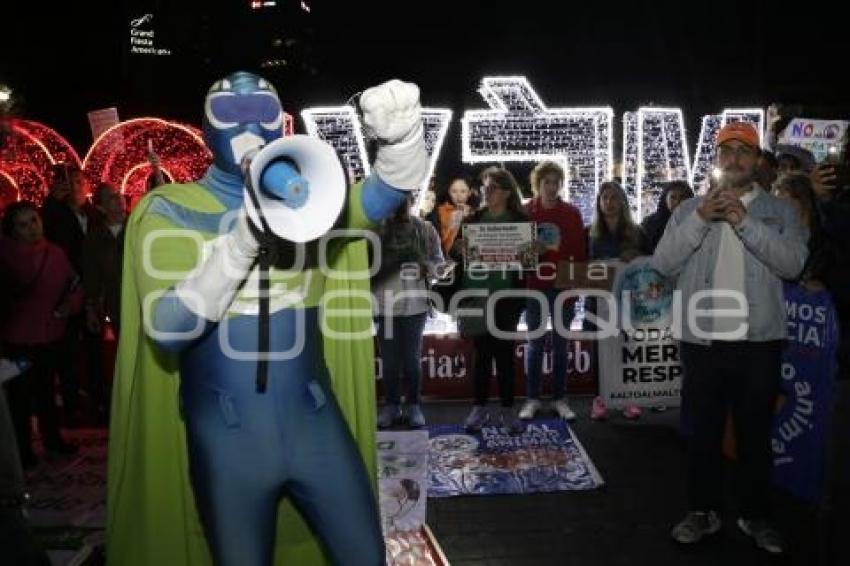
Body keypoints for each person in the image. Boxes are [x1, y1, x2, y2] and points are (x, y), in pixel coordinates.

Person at [106, 73, 430, 566]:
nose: (249, 124)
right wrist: (240, 241)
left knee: (366, 554)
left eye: (262, 109)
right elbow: (169, 329)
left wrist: (404, 138)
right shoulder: (169, 209)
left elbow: (384, 192)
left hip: (314, 420)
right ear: (206, 126)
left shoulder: (313, 201)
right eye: (232, 113)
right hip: (227, 432)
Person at [653, 122, 807, 555]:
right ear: (717, 159)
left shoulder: (780, 212)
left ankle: (756, 515)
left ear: (758, 161)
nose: (735, 158)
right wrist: (701, 218)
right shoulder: (687, 211)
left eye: (745, 151)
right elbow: (663, 263)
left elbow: (793, 264)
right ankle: (702, 511)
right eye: (727, 150)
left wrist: (746, 222)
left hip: (759, 341)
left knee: (755, 433)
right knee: (703, 432)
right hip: (702, 341)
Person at [0, 201, 81, 466]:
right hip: (17, 339)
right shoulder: (5, 256)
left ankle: (52, 440)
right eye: (23, 225)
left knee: (47, 391)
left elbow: (75, 283)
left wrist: (70, 304)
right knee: (19, 398)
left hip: (49, 335)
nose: (32, 228)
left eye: (33, 220)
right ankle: (22, 450)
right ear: (12, 230)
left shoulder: (55, 253)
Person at [452, 167, 528, 435]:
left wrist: (534, 251)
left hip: (506, 298)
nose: (487, 191)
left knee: (505, 356)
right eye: (485, 186)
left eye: (493, 187)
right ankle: (479, 407)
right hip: (476, 296)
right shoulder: (472, 220)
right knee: (481, 356)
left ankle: (508, 410)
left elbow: (528, 265)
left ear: (507, 192)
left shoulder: (521, 221)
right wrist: (458, 249)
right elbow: (454, 252)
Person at [517, 161, 585, 422]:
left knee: (560, 344)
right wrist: (530, 253)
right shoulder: (525, 212)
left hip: (563, 288)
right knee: (534, 344)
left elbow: (579, 253)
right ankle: (532, 398)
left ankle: (560, 398)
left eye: (556, 182)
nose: (552, 187)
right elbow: (516, 255)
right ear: (538, 184)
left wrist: (574, 287)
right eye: (547, 182)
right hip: (534, 287)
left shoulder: (572, 213)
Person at [372, 195, 444, 429]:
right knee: (390, 361)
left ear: (411, 201)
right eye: (394, 199)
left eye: (403, 200)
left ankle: (414, 405)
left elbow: (439, 265)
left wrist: (429, 268)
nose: (399, 205)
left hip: (416, 305)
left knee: (412, 359)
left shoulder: (425, 229)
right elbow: (365, 267)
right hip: (385, 305)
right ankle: (392, 406)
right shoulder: (375, 231)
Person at [41, 164, 99, 424]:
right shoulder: (54, 215)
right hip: (67, 295)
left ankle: (100, 402)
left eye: (79, 181)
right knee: (68, 354)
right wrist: (52, 201)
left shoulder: (96, 215)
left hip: (96, 293)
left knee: (95, 351)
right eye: (69, 183)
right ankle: (72, 405)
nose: (75, 187)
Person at [586, 180, 647, 420]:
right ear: (599, 203)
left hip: (629, 301)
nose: (609, 203)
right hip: (599, 303)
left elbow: (652, 262)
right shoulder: (588, 233)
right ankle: (600, 399)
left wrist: (637, 256)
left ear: (622, 201)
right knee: (600, 353)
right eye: (604, 198)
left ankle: (628, 399)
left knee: (627, 350)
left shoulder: (637, 231)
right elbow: (581, 267)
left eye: (614, 198)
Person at [641, 180, 694, 253]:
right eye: (673, 197)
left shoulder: (696, 222)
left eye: (682, 197)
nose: (677, 202)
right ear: (665, 199)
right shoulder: (650, 223)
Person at [435, 176, 474, 255]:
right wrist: (453, 225)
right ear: (449, 192)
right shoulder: (440, 211)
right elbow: (438, 244)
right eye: (454, 191)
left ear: (469, 193)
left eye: (463, 191)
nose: (458, 195)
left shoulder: (475, 213)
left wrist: (468, 218)